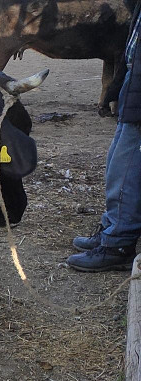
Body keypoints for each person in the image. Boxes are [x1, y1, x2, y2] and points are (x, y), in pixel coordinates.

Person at [67, 5, 141, 272]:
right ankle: (112, 227)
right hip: (134, 83)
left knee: (127, 168)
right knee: (116, 163)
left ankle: (118, 243)